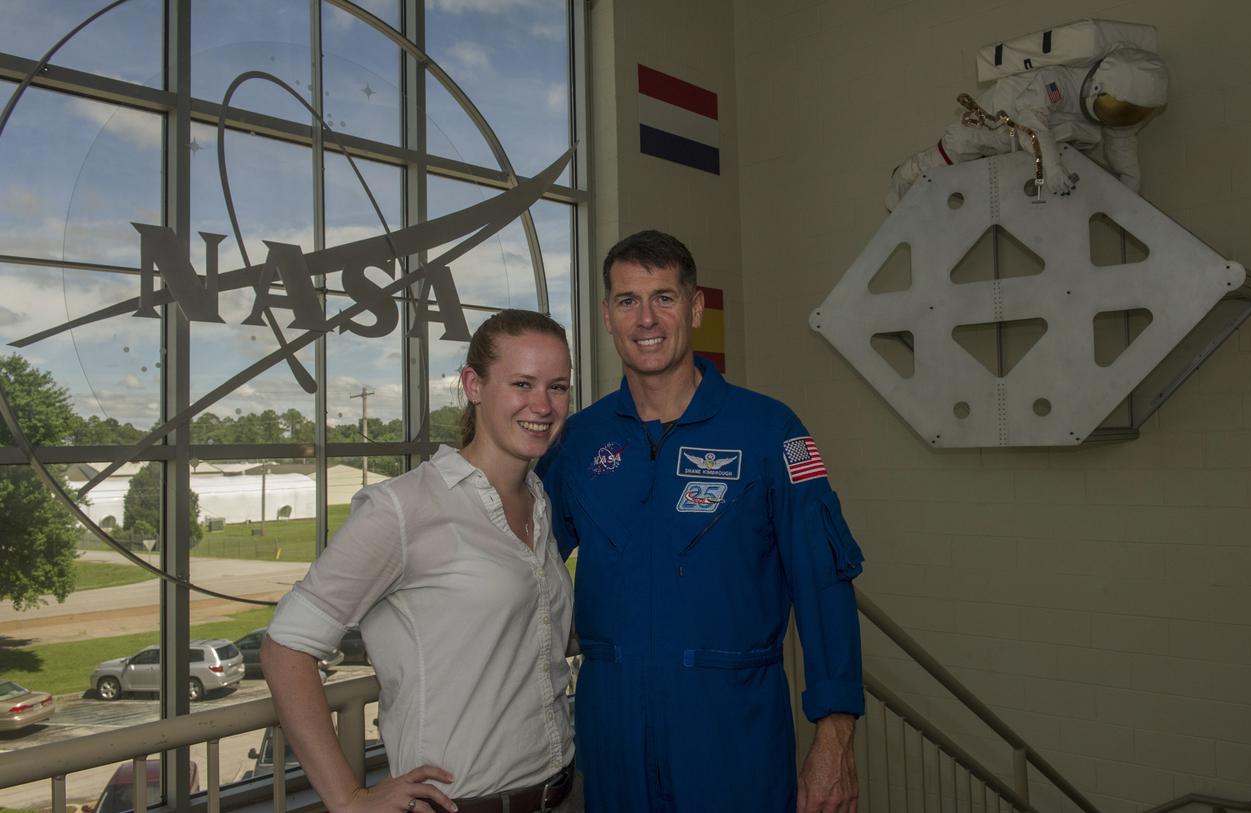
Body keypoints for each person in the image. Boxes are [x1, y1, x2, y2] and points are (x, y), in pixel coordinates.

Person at [536, 231, 866, 812]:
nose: (646, 319)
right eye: (626, 301)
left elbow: (824, 585)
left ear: (695, 308)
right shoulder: (579, 440)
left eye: (663, 298)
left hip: (733, 739)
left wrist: (834, 739)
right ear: (607, 317)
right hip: (612, 740)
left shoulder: (770, 431)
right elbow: (519, 565)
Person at [262, 309, 581, 813]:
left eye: (557, 387)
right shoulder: (404, 508)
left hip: (561, 794)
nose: (542, 405)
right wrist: (348, 799)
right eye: (522, 383)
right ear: (474, 385)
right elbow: (286, 649)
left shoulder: (537, 500)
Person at [885, 43, 1169, 209]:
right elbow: (1032, 121)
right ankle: (903, 178)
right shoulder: (1059, 80)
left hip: (1033, 145)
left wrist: (1132, 197)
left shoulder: (1119, 110)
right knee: (955, 148)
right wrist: (1053, 168)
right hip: (997, 123)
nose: (1122, 117)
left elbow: (1123, 149)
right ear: (1099, 87)